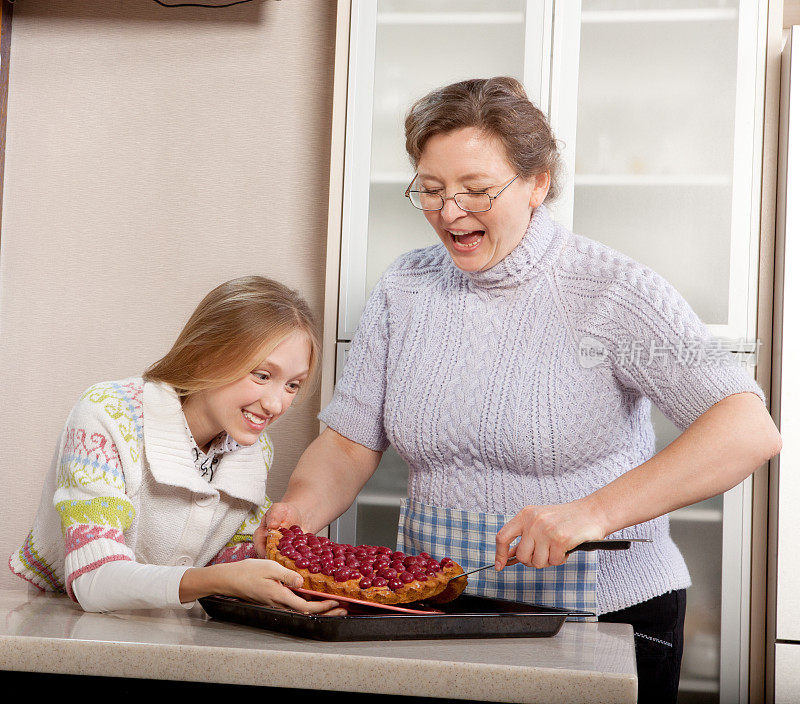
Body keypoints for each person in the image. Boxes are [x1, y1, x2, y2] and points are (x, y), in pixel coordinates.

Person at [254, 77, 782, 702]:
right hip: (441, 604)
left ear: (538, 183)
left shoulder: (610, 293)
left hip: (604, 616)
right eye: (431, 190)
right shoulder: (406, 290)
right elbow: (348, 445)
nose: (450, 213)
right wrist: (296, 513)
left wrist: (592, 513)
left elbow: (747, 429)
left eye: (476, 190)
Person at [9, 276, 345, 616]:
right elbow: (94, 578)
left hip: (171, 634)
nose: (275, 405)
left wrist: (264, 553)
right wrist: (220, 580)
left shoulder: (256, 449)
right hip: (62, 629)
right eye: (261, 375)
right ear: (204, 355)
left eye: (292, 385)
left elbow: (218, 557)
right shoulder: (106, 414)